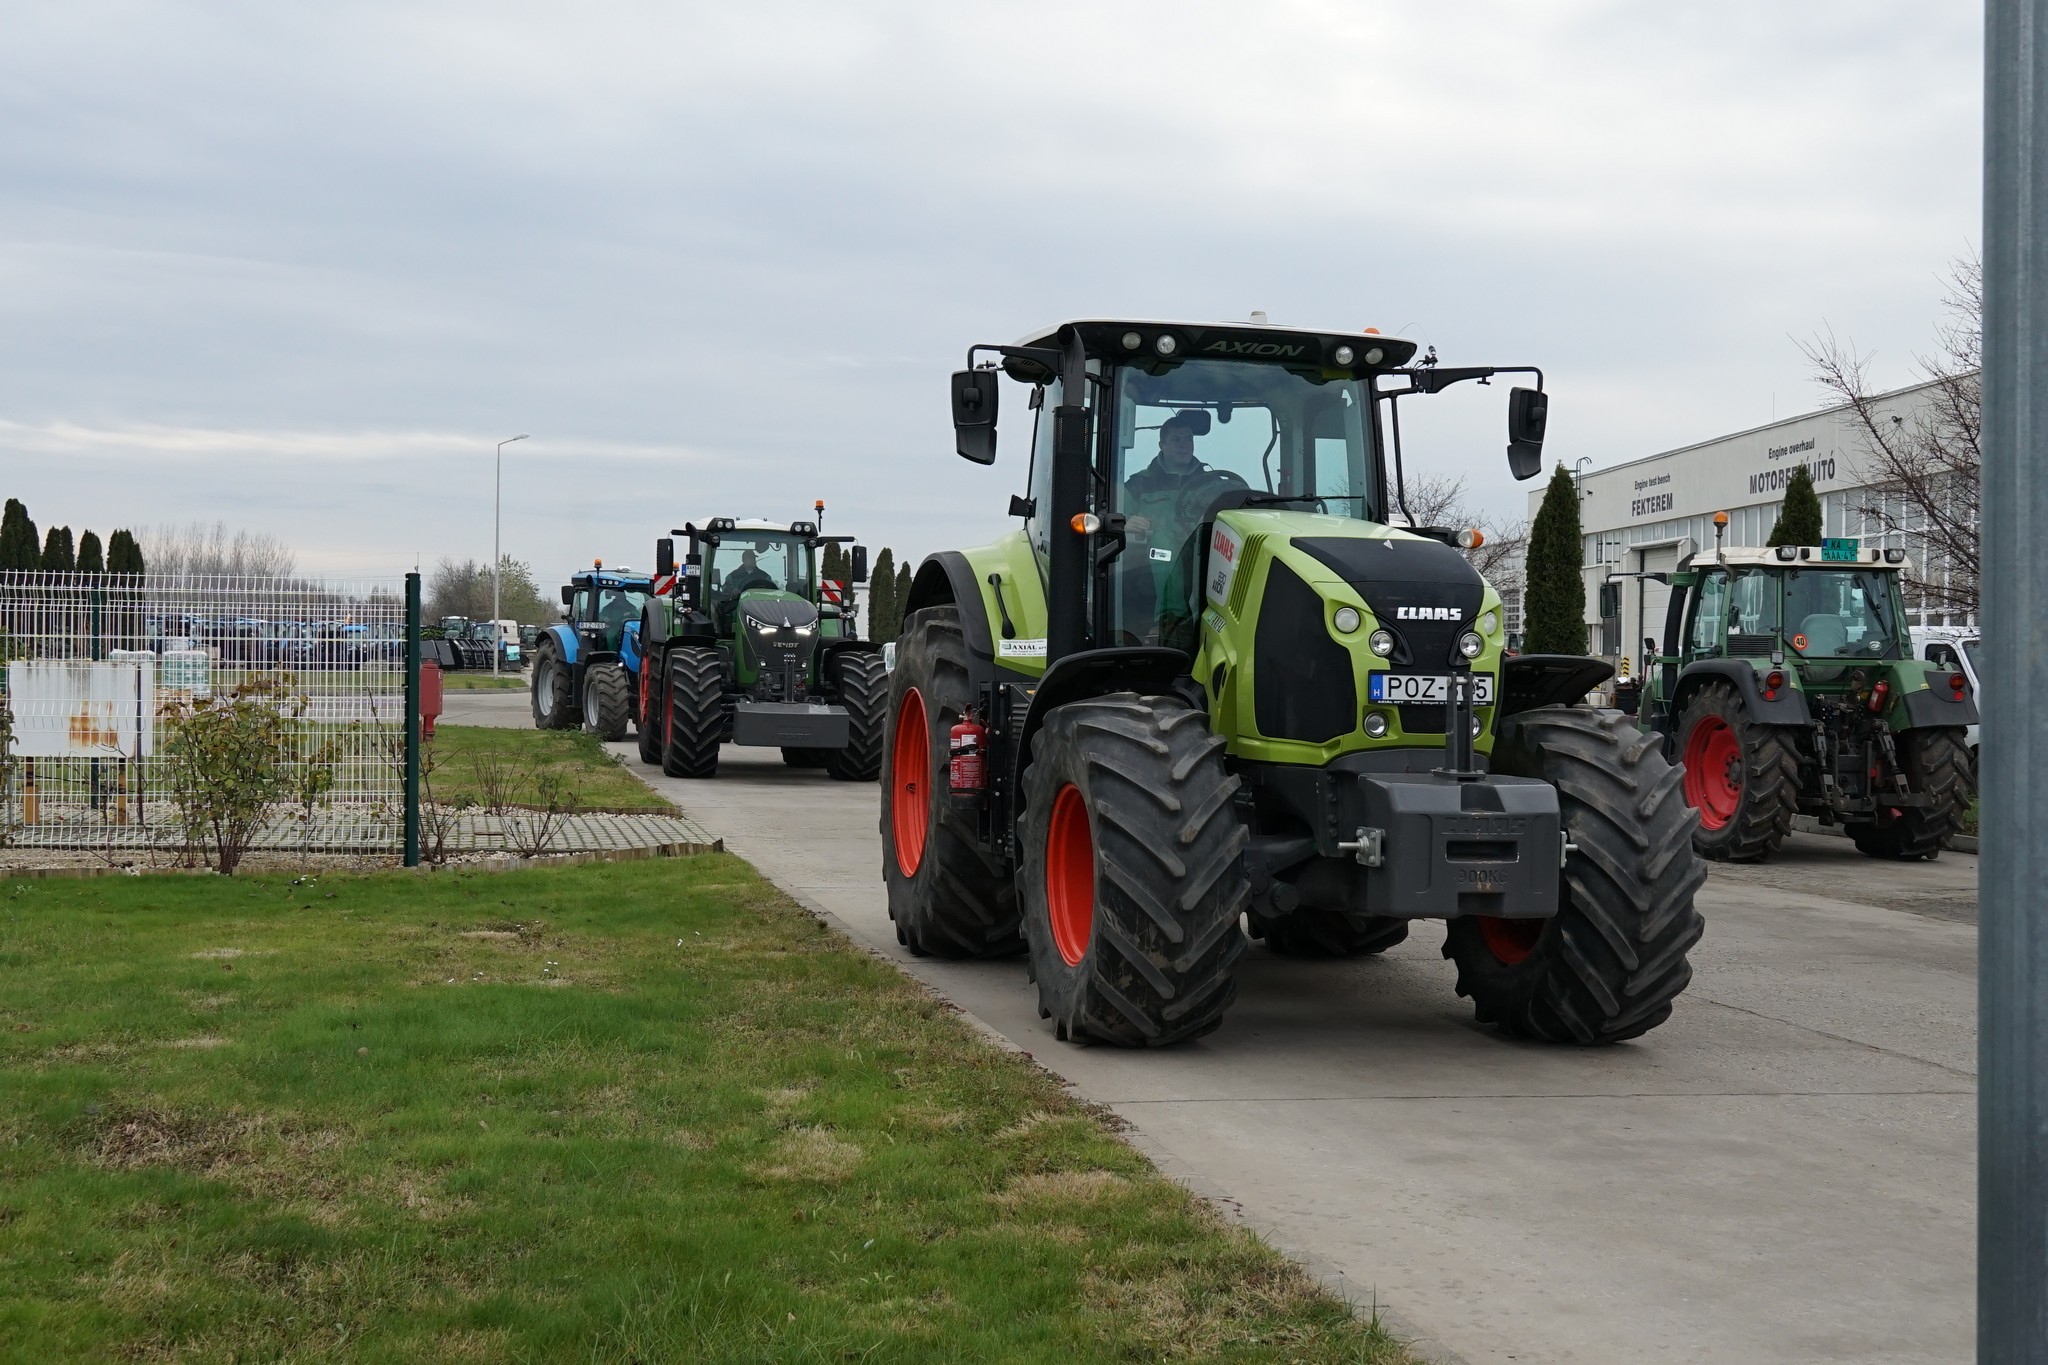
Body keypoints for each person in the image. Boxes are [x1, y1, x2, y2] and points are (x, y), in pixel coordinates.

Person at [1120, 409, 1243, 647]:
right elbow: (1111, 513)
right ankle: (1170, 620)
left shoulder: (1211, 485)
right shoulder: (1139, 484)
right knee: (1164, 543)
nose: (1184, 445)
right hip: (1152, 564)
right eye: (1176, 439)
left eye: (1188, 439)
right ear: (1162, 444)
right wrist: (1126, 522)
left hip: (1203, 557)